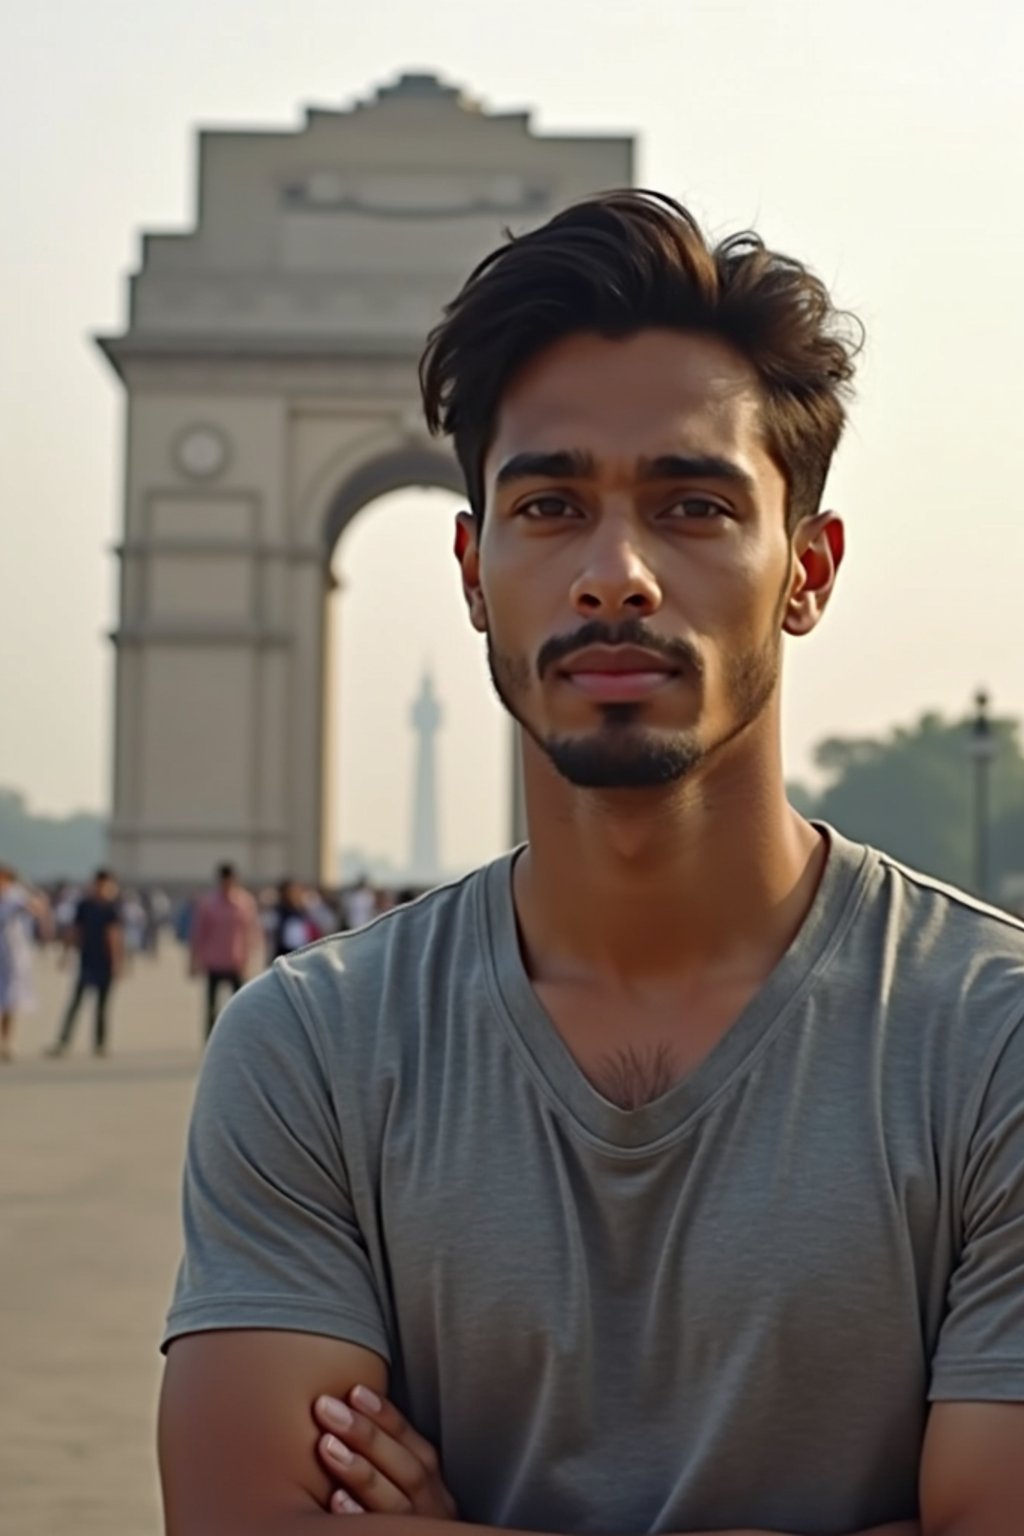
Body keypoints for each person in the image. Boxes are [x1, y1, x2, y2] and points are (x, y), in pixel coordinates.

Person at [157, 192, 1024, 1535]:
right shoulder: (309, 1053)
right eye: (551, 504)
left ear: (809, 566)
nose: (615, 574)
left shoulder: (999, 1040)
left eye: (691, 505)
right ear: (471, 565)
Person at [47, 869, 122, 1058]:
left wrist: (116, 962)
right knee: (75, 1003)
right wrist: (65, 954)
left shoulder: (111, 908)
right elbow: (75, 931)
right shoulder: (84, 906)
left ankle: (100, 1044)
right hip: (86, 961)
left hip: (104, 963)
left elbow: (114, 937)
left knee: (102, 1007)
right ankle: (64, 1041)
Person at [189, 864, 262, 1040]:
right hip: (214, 961)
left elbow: (251, 932)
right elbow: (198, 933)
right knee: (211, 1006)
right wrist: (193, 960)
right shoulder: (208, 904)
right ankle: (211, 1040)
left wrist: (249, 959)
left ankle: (239, 1037)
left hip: (236, 962)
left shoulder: (245, 902)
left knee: (239, 1005)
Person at [0, 864, 49, 1062]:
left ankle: (6, 1041)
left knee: (9, 1000)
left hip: (12, 957)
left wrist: (31, 896)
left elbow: (38, 908)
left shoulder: (15, 897)